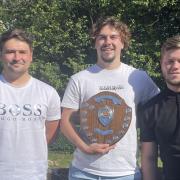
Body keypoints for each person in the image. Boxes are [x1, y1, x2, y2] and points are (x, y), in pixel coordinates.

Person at [60, 16, 159, 180]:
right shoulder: (79, 79)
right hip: (83, 172)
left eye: (113, 37)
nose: (107, 42)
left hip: (125, 173)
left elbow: (161, 111)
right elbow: (65, 122)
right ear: (95, 42)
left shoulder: (139, 77)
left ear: (123, 43)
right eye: (102, 37)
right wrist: (85, 148)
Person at [0, 29, 61, 180]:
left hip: (34, 174)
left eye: (22, 52)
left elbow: (50, 135)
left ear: (31, 56)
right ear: (1, 55)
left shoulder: (48, 92)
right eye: (10, 52)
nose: (17, 57)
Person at [140, 35, 180, 180]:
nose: (175, 66)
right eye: (170, 61)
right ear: (162, 65)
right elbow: (149, 158)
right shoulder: (150, 109)